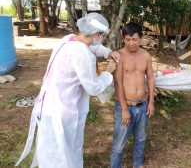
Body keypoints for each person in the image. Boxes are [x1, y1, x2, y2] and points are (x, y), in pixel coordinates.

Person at [16, 13, 120, 168]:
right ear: (97, 34)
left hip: (49, 104)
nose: (102, 38)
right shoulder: (82, 54)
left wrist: (107, 52)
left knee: (52, 151)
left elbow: (93, 46)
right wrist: (108, 72)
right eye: (102, 35)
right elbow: (93, 87)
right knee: (63, 154)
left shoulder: (69, 39)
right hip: (63, 112)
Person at [110, 22, 155, 168]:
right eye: (128, 39)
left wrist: (151, 102)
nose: (131, 43)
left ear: (140, 38)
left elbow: (150, 78)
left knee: (141, 139)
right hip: (125, 106)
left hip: (142, 105)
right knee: (119, 144)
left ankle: (137, 165)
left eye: (134, 39)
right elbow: (118, 83)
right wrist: (124, 109)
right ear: (123, 39)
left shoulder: (146, 55)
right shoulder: (120, 56)